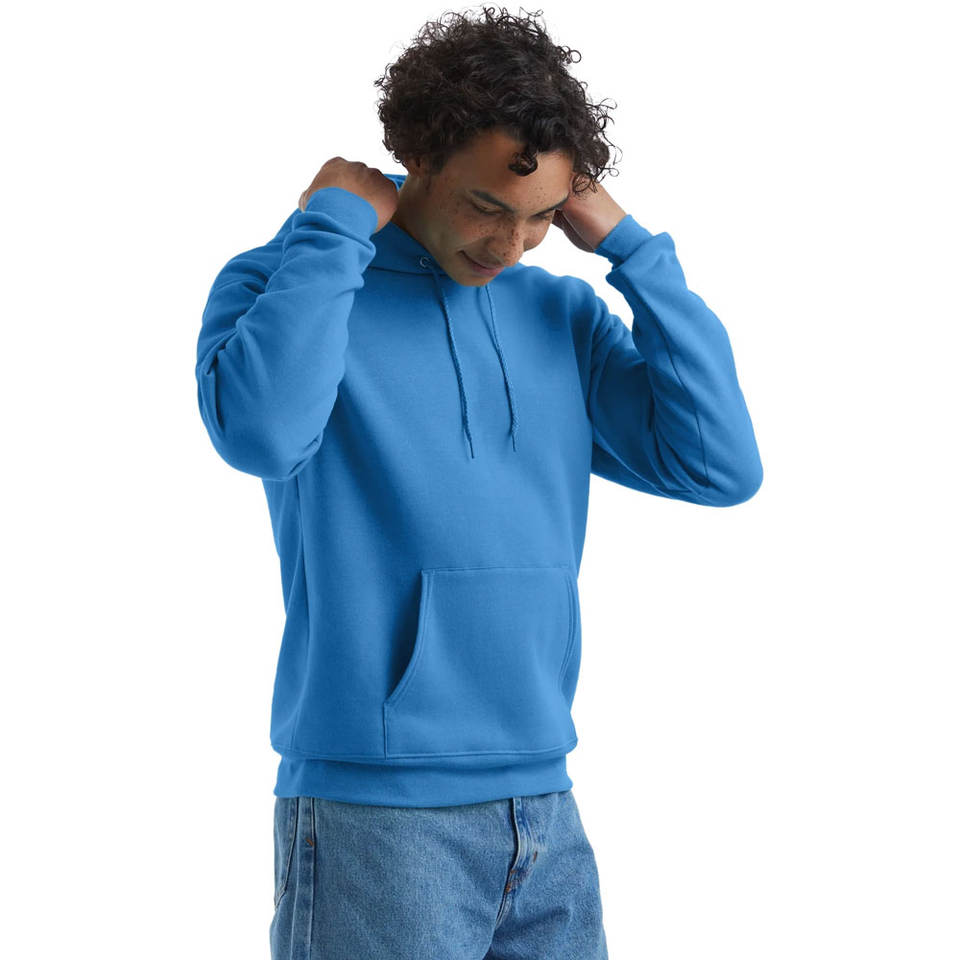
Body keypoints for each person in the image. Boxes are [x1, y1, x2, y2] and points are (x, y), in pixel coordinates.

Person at [194, 7, 763, 959]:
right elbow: (259, 433)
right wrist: (332, 228)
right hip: (377, 807)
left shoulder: (561, 314)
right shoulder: (291, 283)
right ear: (417, 158)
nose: (511, 247)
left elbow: (720, 465)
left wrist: (634, 251)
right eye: (487, 207)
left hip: (545, 800)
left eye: (540, 217)